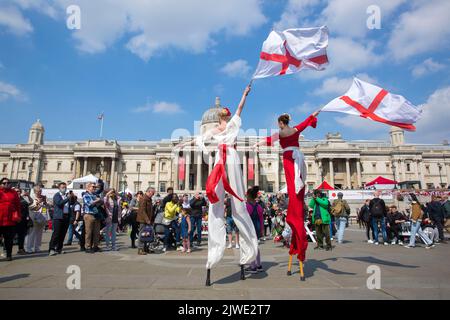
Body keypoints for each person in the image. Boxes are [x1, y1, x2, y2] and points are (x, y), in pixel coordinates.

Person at [178, 85, 258, 286]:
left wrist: (183, 145)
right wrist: (244, 94)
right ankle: (237, 246)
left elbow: (198, 139)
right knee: (227, 202)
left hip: (224, 159)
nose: (225, 117)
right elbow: (240, 108)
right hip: (225, 158)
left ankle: (222, 247)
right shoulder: (230, 126)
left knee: (224, 203)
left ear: (220, 117)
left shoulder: (222, 128)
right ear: (226, 116)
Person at [255, 110, 319, 263]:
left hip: (289, 158)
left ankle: (294, 211)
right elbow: (308, 120)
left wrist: (257, 144)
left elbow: (269, 139)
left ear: (281, 123)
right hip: (299, 157)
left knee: (292, 185)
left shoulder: (281, 133)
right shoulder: (296, 129)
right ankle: (297, 208)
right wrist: (315, 113)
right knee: (298, 184)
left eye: (278, 123)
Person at [0, 178, 21, 261]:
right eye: (4, 183)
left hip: (10, 220)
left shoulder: (14, 193)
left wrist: (18, 215)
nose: (6, 184)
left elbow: (18, 205)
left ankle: (9, 255)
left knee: (9, 239)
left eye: (8, 183)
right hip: (0, 219)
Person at [49, 183, 72, 256]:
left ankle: (59, 248)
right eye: (62, 187)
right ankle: (51, 249)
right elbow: (59, 203)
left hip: (66, 216)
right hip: (58, 217)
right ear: (59, 188)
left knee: (63, 234)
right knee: (56, 233)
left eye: (65, 187)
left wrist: (71, 197)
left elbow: (70, 204)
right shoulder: (57, 195)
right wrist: (67, 198)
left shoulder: (66, 195)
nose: (64, 189)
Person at [245, 186, 263, 274]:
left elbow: (245, 219)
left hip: (250, 228)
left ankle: (253, 266)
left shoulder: (247, 206)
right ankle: (259, 265)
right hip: (257, 227)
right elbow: (261, 219)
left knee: (251, 247)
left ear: (249, 196)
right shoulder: (258, 206)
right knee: (256, 246)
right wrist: (262, 230)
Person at [82, 183, 103, 253]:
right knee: (89, 232)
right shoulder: (86, 195)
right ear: (88, 187)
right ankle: (87, 247)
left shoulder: (95, 195)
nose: (94, 188)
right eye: (93, 187)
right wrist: (97, 200)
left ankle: (95, 246)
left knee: (97, 232)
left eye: (95, 187)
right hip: (89, 215)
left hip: (96, 215)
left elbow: (101, 202)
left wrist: (98, 201)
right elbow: (89, 204)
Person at [27, 186, 48, 253]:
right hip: (33, 218)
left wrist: (44, 203)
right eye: (38, 191)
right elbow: (31, 208)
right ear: (34, 192)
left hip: (41, 218)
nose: (39, 193)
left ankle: (37, 247)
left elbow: (45, 208)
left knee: (39, 234)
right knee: (31, 233)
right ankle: (29, 248)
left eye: (40, 191)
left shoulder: (43, 198)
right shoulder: (32, 198)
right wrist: (38, 203)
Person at [136, 187, 155, 255]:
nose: (153, 194)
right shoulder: (144, 199)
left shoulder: (149, 199)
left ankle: (146, 248)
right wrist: (147, 220)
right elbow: (142, 211)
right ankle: (140, 249)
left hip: (147, 220)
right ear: (149, 192)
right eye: (153, 193)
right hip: (143, 220)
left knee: (147, 234)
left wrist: (151, 219)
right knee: (142, 234)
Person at [15, 188, 32, 255]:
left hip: (23, 219)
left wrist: (28, 196)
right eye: (16, 191)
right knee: (11, 236)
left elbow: (31, 202)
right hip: (15, 219)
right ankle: (6, 250)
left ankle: (21, 249)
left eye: (19, 191)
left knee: (21, 235)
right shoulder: (13, 198)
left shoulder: (23, 198)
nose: (18, 192)